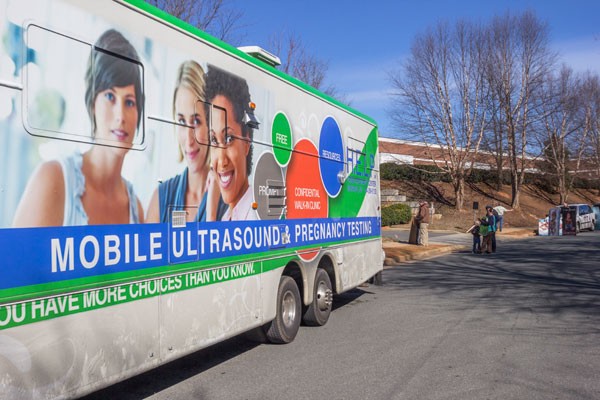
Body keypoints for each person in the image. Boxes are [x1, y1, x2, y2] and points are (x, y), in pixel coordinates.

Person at [13, 29, 144, 227]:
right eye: (110, 96)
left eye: (130, 102)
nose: (120, 116)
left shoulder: (136, 209)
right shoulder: (54, 180)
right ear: (92, 103)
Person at [146, 60, 226, 223]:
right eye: (182, 122)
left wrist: (211, 211)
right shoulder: (161, 199)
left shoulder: (228, 200)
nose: (189, 140)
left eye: (196, 121)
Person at [205, 65, 257, 221]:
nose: (221, 161)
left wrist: (211, 214)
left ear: (246, 142)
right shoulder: (227, 217)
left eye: (228, 138)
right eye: (214, 140)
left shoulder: (255, 215)